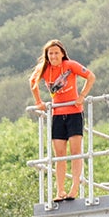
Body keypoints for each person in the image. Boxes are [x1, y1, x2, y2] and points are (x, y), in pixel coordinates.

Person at [28, 39, 93, 201]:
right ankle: (60, 191)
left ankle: (74, 188)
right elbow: (32, 82)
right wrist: (38, 102)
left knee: (75, 152)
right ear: (47, 55)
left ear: (62, 53)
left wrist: (82, 96)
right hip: (57, 114)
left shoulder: (70, 65)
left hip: (74, 112)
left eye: (56, 53)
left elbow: (90, 76)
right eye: (51, 53)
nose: (54, 56)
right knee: (59, 154)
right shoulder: (45, 68)